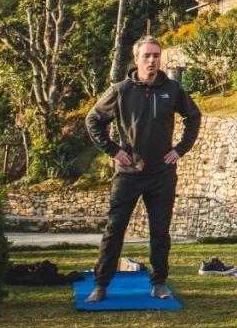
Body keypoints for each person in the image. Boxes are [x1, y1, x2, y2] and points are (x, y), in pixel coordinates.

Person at [84, 35, 201, 301]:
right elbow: (93, 120)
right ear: (136, 59)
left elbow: (193, 117)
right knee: (115, 230)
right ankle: (101, 285)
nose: (151, 61)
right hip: (129, 174)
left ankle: (159, 283)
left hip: (162, 173)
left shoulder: (172, 89)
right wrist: (113, 150)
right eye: (146, 56)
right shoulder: (121, 90)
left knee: (160, 231)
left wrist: (180, 149)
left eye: (156, 56)